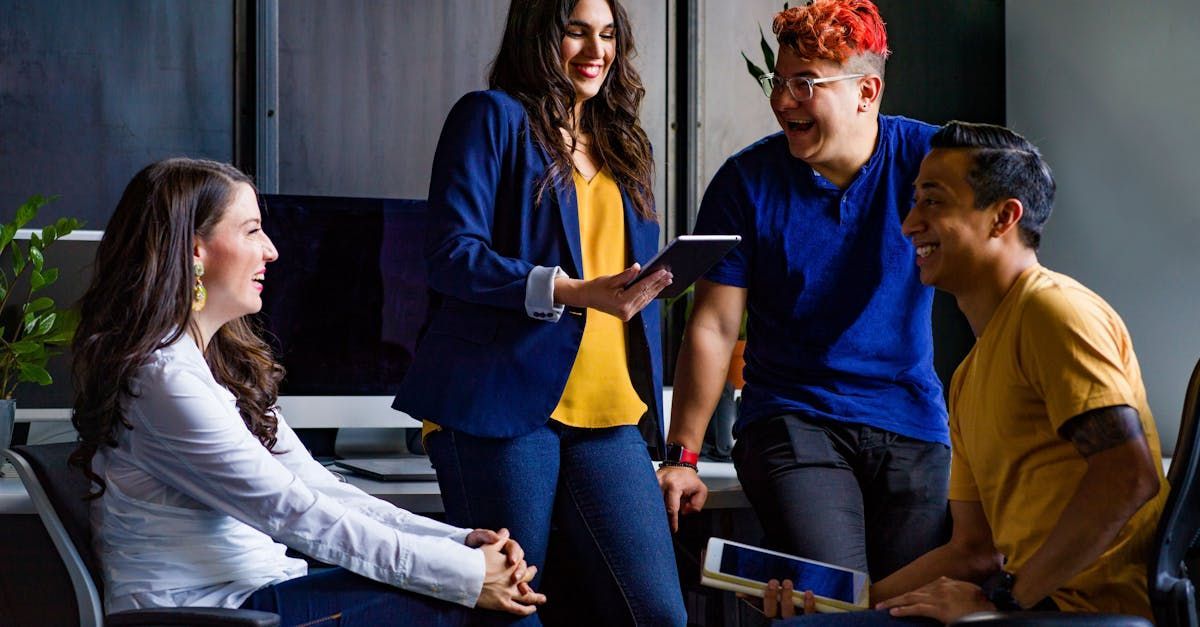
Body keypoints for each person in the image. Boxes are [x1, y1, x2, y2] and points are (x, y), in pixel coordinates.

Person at [68, 158, 545, 626]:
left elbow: (318, 489)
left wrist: (458, 545)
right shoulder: (163, 380)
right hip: (211, 614)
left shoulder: (215, 367)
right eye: (252, 230)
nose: (271, 250)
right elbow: (294, 513)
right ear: (195, 250)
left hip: (264, 593)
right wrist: (467, 576)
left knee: (493, 602)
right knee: (495, 614)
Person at [391, 0, 686, 625]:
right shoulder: (491, 117)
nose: (595, 50)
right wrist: (573, 291)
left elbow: (618, 279)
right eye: (576, 32)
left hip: (610, 409)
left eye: (607, 35)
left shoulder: (622, 140)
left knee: (658, 614)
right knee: (511, 612)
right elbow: (451, 255)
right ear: (540, 35)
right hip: (502, 406)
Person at [659, 0, 950, 581]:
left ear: (866, 93)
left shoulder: (933, 161)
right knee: (836, 598)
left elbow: (1009, 234)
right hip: (792, 420)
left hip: (912, 421)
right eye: (779, 81)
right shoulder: (746, 182)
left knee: (909, 605)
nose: (781, 100)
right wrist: (682, 458)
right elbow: (715, 326)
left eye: (804, 83)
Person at [862, 122, 1166, 622]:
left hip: (1078, 616)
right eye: (914, 201)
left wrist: (1002, 600)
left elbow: (1128, 475)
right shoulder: (967, 376)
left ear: (1003, 217)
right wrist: (850, 602)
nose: (909, 224)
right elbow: (972, 551)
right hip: (1027, 607)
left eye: (933, 202)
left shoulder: (1054, 313)